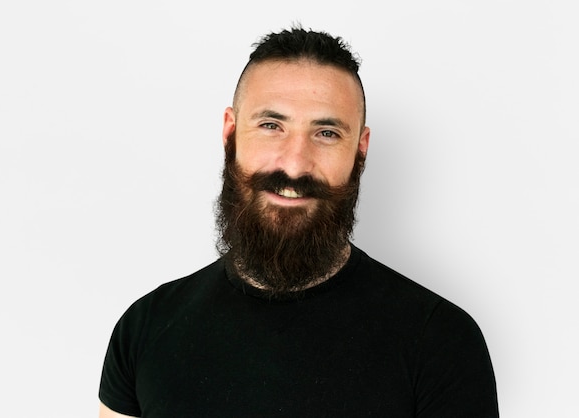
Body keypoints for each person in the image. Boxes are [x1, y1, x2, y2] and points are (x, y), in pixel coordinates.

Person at [98, 26, 498, 417]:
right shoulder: (145, 329)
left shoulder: (441, 342)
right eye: (271, 126)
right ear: (231, 132)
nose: (294, 164)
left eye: (326, 133)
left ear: (360, 150)